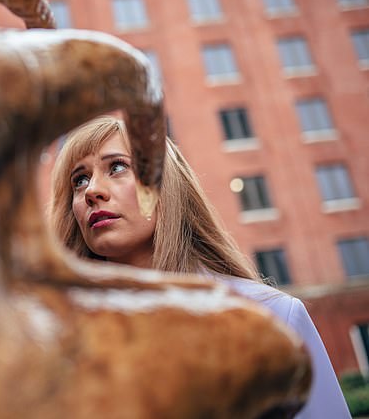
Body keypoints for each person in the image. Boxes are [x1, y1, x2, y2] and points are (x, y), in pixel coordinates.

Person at [49, 115, 351, 419]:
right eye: (80, 179)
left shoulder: (271, 318)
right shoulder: (60, 345)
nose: (91, 191)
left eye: (117, 167)